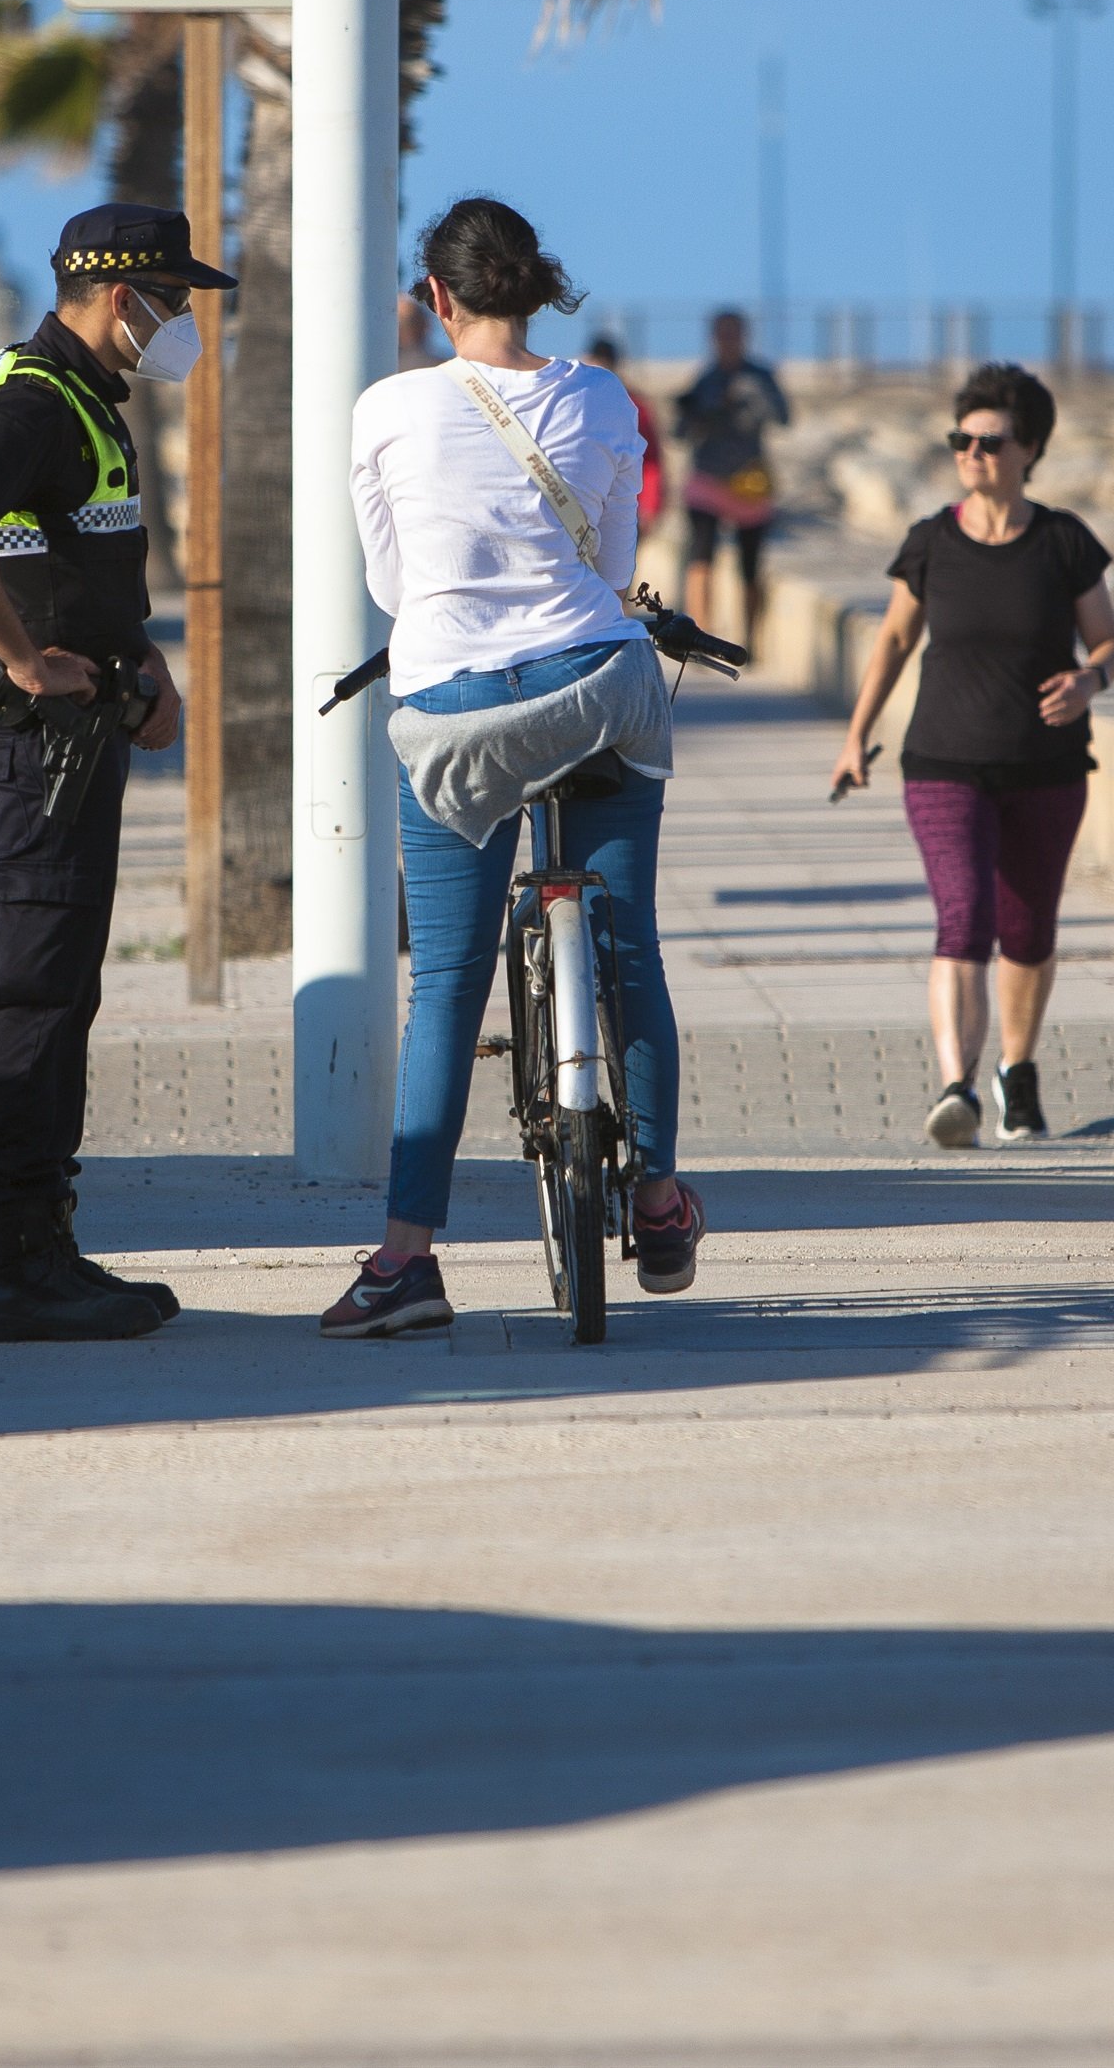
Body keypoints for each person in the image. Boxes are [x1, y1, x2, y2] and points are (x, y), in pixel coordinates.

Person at [327, 197, 706, 1339]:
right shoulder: (599, 395)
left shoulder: (387, 405)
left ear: (434, 299)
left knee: (444, 985)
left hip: (452, 714)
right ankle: (656, 1195)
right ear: (536, 288)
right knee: (628, 941)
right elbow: (618, 556)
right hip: (595, 687)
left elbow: (392, 590)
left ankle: (405, 1263)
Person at [0, 203, 208, 1342]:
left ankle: (44, 1249)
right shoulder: (38, 399)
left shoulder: (58, 390)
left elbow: (63, 552)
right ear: (123, 300)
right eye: (174, 301)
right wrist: (27, 663)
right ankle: (21, 1266)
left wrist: (141, 662)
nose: (183, 322)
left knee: (60, 986)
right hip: (39, 747)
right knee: (36, 995)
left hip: (67, 737)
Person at [831, 363, 1114, 1148]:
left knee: (1028, 931)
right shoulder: (930, 542)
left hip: (1048, 766)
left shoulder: (1063, 542)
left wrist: (1090, 679)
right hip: (943, 763)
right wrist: (857, 734)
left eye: (989, 441)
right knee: (963, 918)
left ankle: (1016, 1072)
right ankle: (957, 1085)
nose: (972, 452)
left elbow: (1108, 642)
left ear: (1029, 449)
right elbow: (894, 638)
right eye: (961, 439)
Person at [672, 307, 787, 655]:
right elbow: (680, 432)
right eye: (722, 333)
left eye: (733, 333)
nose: (727, 340)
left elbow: (782, 417)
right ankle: (700, 638)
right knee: (700, 558)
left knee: (749, 567)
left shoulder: (760, 376)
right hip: (706, 479)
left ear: (744, 335)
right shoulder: (703, 379)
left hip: (747, 485)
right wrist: (699, 412)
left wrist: (748, 398)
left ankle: (749, 639)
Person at [583, 333, 666, 535]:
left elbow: (650, 460)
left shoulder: (635, 407)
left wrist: (650, 505)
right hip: (586, 505)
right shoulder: (575, 403)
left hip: (624, 507)